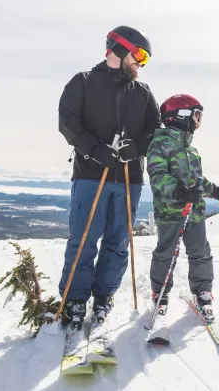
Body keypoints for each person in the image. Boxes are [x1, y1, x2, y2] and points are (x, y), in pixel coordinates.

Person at [57, 25, 160, 329]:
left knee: (117, 241)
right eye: (139, 54)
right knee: (84, 238)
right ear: (118, 48)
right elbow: (68, 121)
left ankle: (104, 295)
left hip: (128, 179)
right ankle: (75, 299)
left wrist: (136, 148)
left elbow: (154, 130)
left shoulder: (142, 92)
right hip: (90, 175)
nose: (140, 63)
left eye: (145, 58)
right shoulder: (84, 83)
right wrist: (92, 149)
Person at [146, 94, 219, 323]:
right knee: (167, 254)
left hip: (194, 213)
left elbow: (198, 182)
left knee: (200, 252)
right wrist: (180, 192)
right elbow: (157, 176)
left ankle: (202, 291)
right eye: (196, 115)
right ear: (181, 116)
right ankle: (161, 294)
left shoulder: (191, 150)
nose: (198, 120)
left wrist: (216, 191)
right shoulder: (160, 144)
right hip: (170, 212)